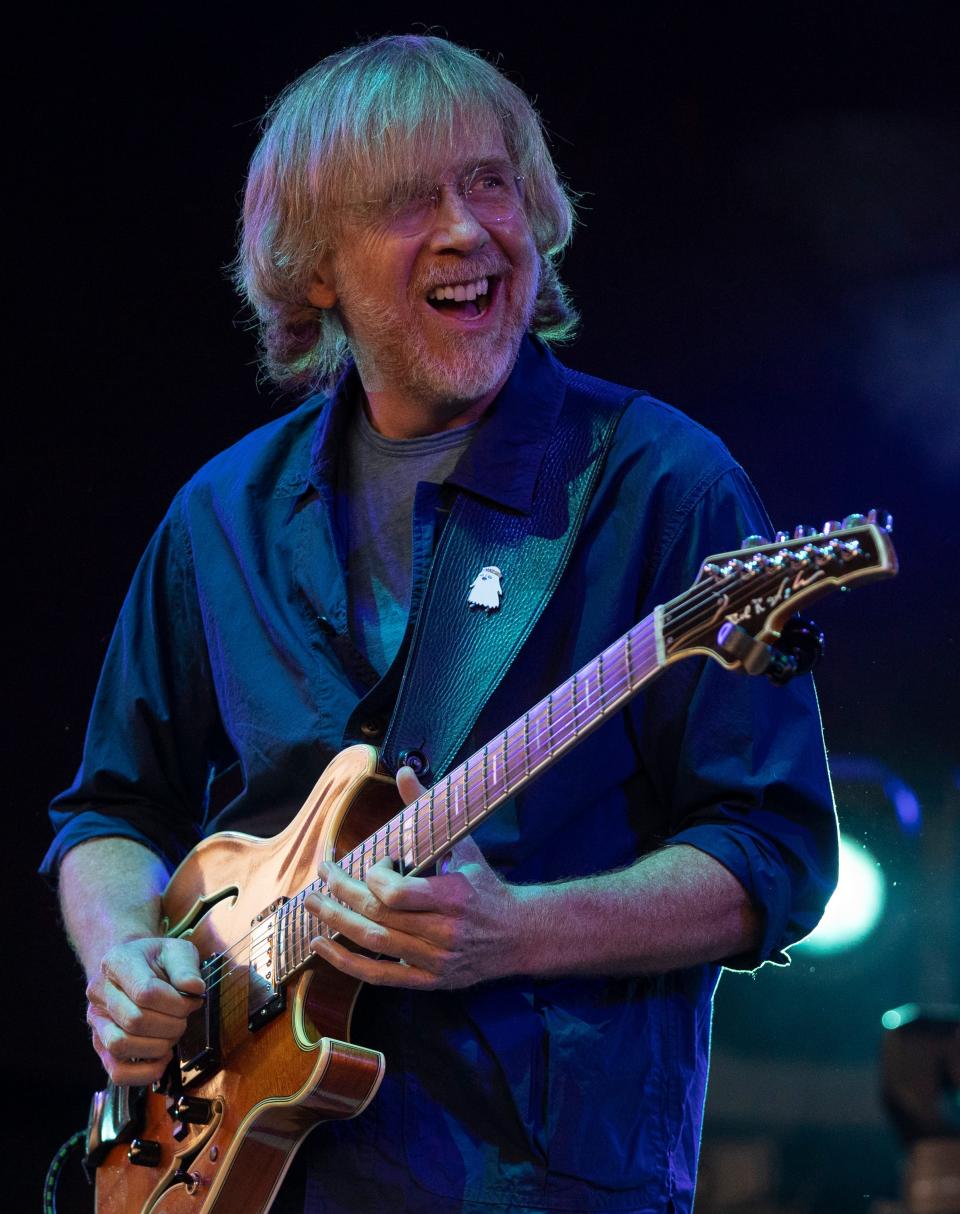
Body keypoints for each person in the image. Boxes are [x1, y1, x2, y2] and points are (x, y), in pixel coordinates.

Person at [43, 34, 837, 1214]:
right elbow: (109, 809)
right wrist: (121, 958)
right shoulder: (222, 514)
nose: (468, 229)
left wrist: (516, 930)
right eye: (411, 201)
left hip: (542, 1177)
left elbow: (777, 853)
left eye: (491, 183)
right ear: (313, 270)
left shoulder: (662, 482)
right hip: (249, 1171)